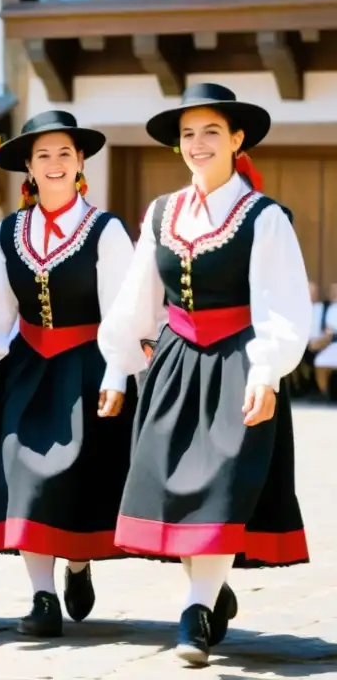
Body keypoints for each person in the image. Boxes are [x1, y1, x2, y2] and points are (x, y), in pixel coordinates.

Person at [98, 83, 313, 667]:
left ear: (237, 140)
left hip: (239, 362)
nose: (197, 143)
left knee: (221, 482)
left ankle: (194, 612)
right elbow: (138, 295)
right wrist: (118, 367)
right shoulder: (162, 212)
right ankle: (209, 592)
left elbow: (283, 301)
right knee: (178, 486)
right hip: (174, 361)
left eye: (211, 132)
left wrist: (266, 371)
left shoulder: (264, 218)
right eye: (188, 134)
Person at [0, 111, 138, 637]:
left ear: (80, 161)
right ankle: (42, 595)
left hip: (88, 367)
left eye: (64, 154)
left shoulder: (105, 231)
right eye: (42, 156)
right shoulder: (12, 231)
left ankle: (77, 563)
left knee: (78, 480)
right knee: (26, 475)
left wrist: (118, 374)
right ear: (28, 170)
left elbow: (123, 309)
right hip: (29, 367)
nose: (54, 163)